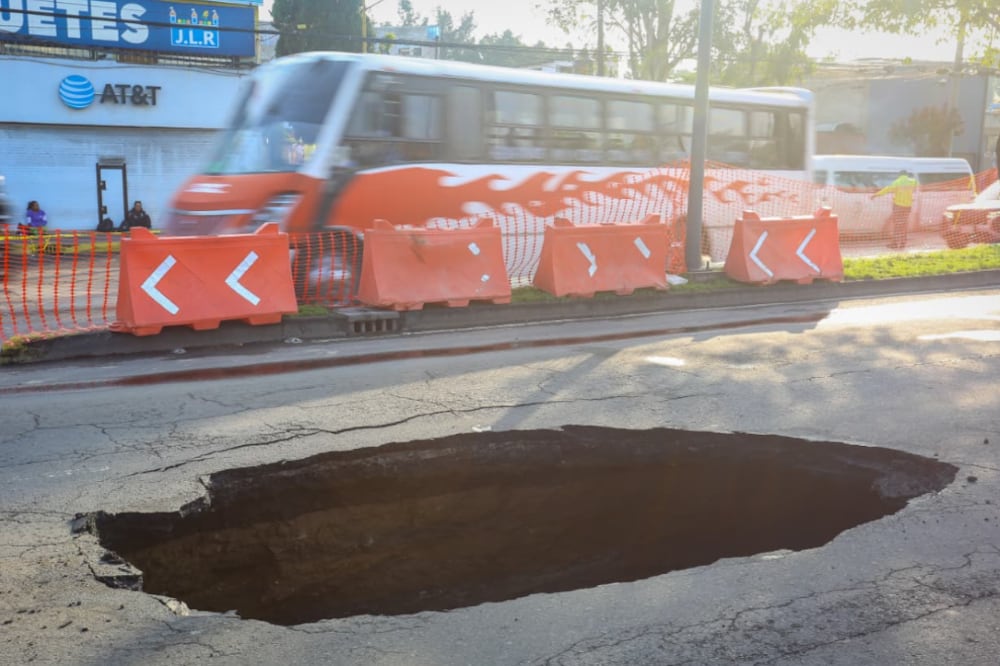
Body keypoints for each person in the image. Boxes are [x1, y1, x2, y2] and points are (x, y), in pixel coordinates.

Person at [872, 169, 917, 249]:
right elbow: (914, 189)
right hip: (908, 207)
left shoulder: (897, 182)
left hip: (898, 206)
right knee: (904, 225)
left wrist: (876, 195)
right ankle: (903, 243)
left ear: (900, 175)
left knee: (897, 225)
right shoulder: (913, 181)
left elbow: (887, 190)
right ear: (907, 175)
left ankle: (895, 243)